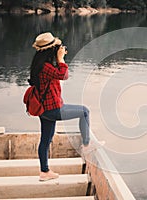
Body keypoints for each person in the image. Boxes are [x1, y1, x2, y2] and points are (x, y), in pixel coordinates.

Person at [29, 32, 104, 181]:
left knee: (45, 140)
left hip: (44, 110)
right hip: (54, 109)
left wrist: (58, 59)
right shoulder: (46, 67)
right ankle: (87, 145)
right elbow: (63, 75)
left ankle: (44, 172)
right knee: (84, 112)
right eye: (55, 47)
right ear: (50, 49)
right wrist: (61, 58)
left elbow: (57, 73)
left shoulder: (39, 64)